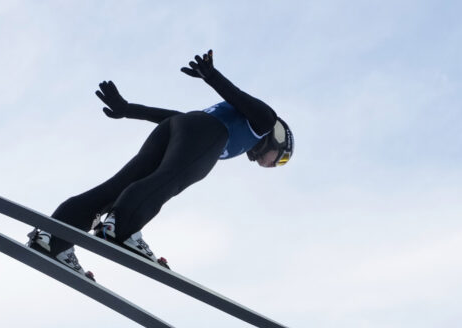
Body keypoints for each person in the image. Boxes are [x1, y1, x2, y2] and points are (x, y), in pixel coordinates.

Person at [28, 50, 293, 273]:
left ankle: (53, 239)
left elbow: (179, 118)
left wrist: (128, 109)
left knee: (115, 189)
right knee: (168, 180)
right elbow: (237, 96)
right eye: (281, 159)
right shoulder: (265, 120)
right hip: (201, 131)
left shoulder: (238, 132)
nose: (274, 165)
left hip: (177, 126)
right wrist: (211, 76)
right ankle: (122, 229)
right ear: (279, 139)